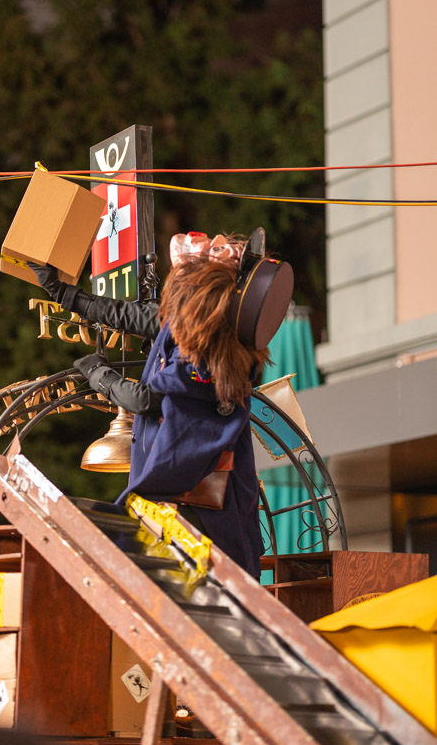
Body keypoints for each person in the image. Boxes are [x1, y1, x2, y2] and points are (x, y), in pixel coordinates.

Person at [29, 229, 293, 581]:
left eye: (215, 249)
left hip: (199, 508)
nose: (208, 239)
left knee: (191, 587)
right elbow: (126, 315)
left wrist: (98, 375)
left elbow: (147, 401)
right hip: (197, 505)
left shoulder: (208, 353)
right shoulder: (185, 324)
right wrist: (62, 293)